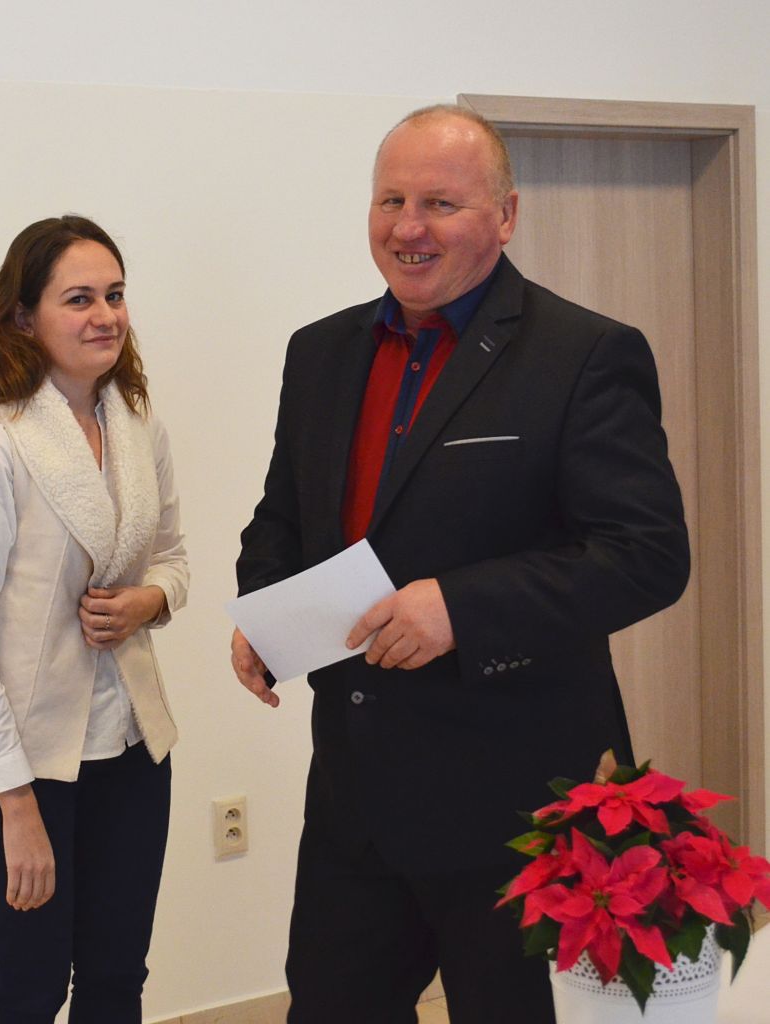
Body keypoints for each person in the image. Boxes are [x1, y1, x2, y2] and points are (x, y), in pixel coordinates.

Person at [231, 106, 689, 1024]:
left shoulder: (584, 354)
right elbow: (284, 516)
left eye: (441, 203)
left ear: (506, 215)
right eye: (391, 200)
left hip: (519, 805)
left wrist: (463, 609)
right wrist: (264, 609)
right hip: (356, 800)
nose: (409, 227)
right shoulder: (319, 353)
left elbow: (647, 555)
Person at [0, 215, 187, 1024]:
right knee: (32, 987)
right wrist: (15, 804)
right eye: (79, 299)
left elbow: (173, 558)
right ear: (22, 317)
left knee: (117, 982)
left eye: (115, 295)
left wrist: (149, 600)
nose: (105, 315)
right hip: (19, 763)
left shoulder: (137, 424)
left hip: (132, 748)